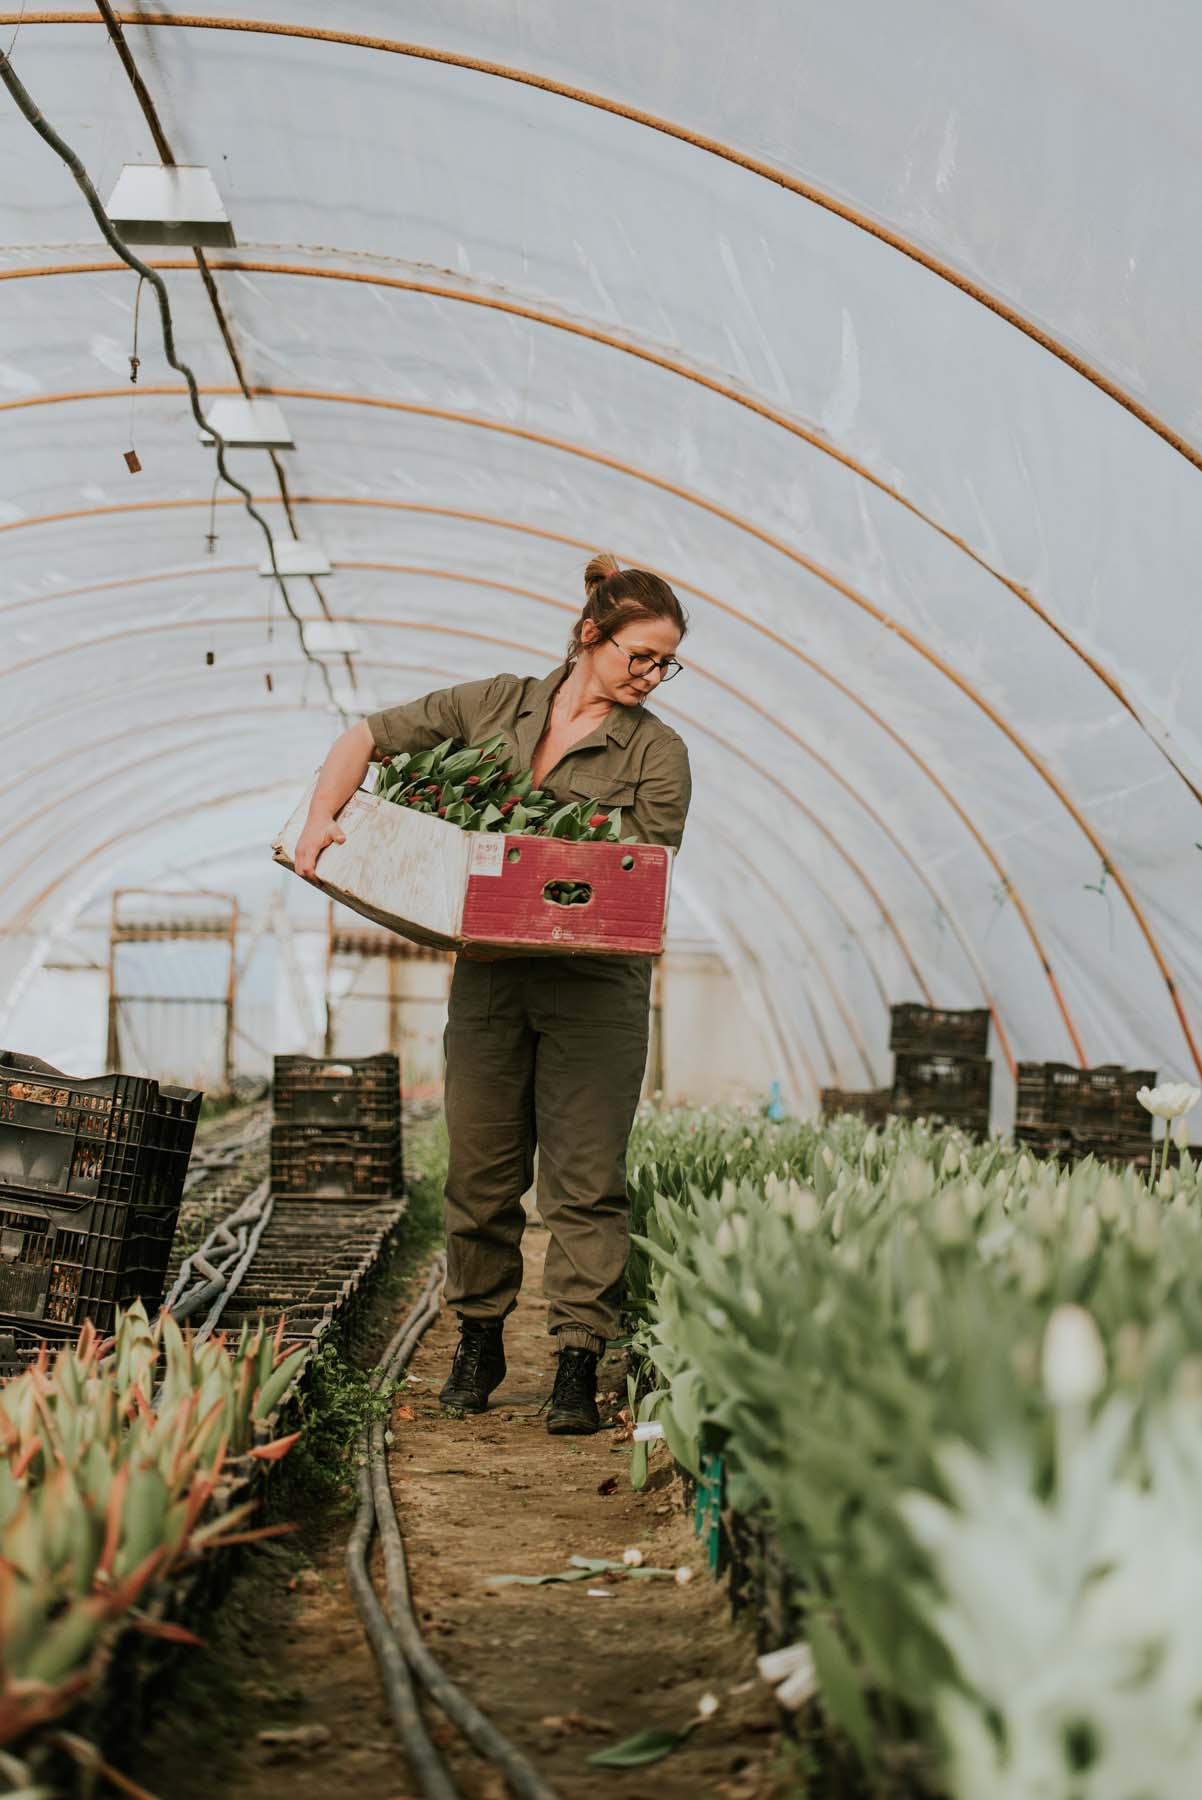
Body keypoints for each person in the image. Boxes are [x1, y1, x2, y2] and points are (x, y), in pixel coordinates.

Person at [293, 554, 692, 1434]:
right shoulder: (494, 706)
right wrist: (325, 818)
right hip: (490, 980)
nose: (652, 677)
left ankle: (578, 1358)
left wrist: (523, 861)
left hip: (596, 990)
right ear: (592, 636)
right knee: (479, 1173)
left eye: (667, 664)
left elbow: (640, 868)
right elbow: (367, 736)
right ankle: (479, 1337)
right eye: (641, 656)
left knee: (584, 1184)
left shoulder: (658, 753)